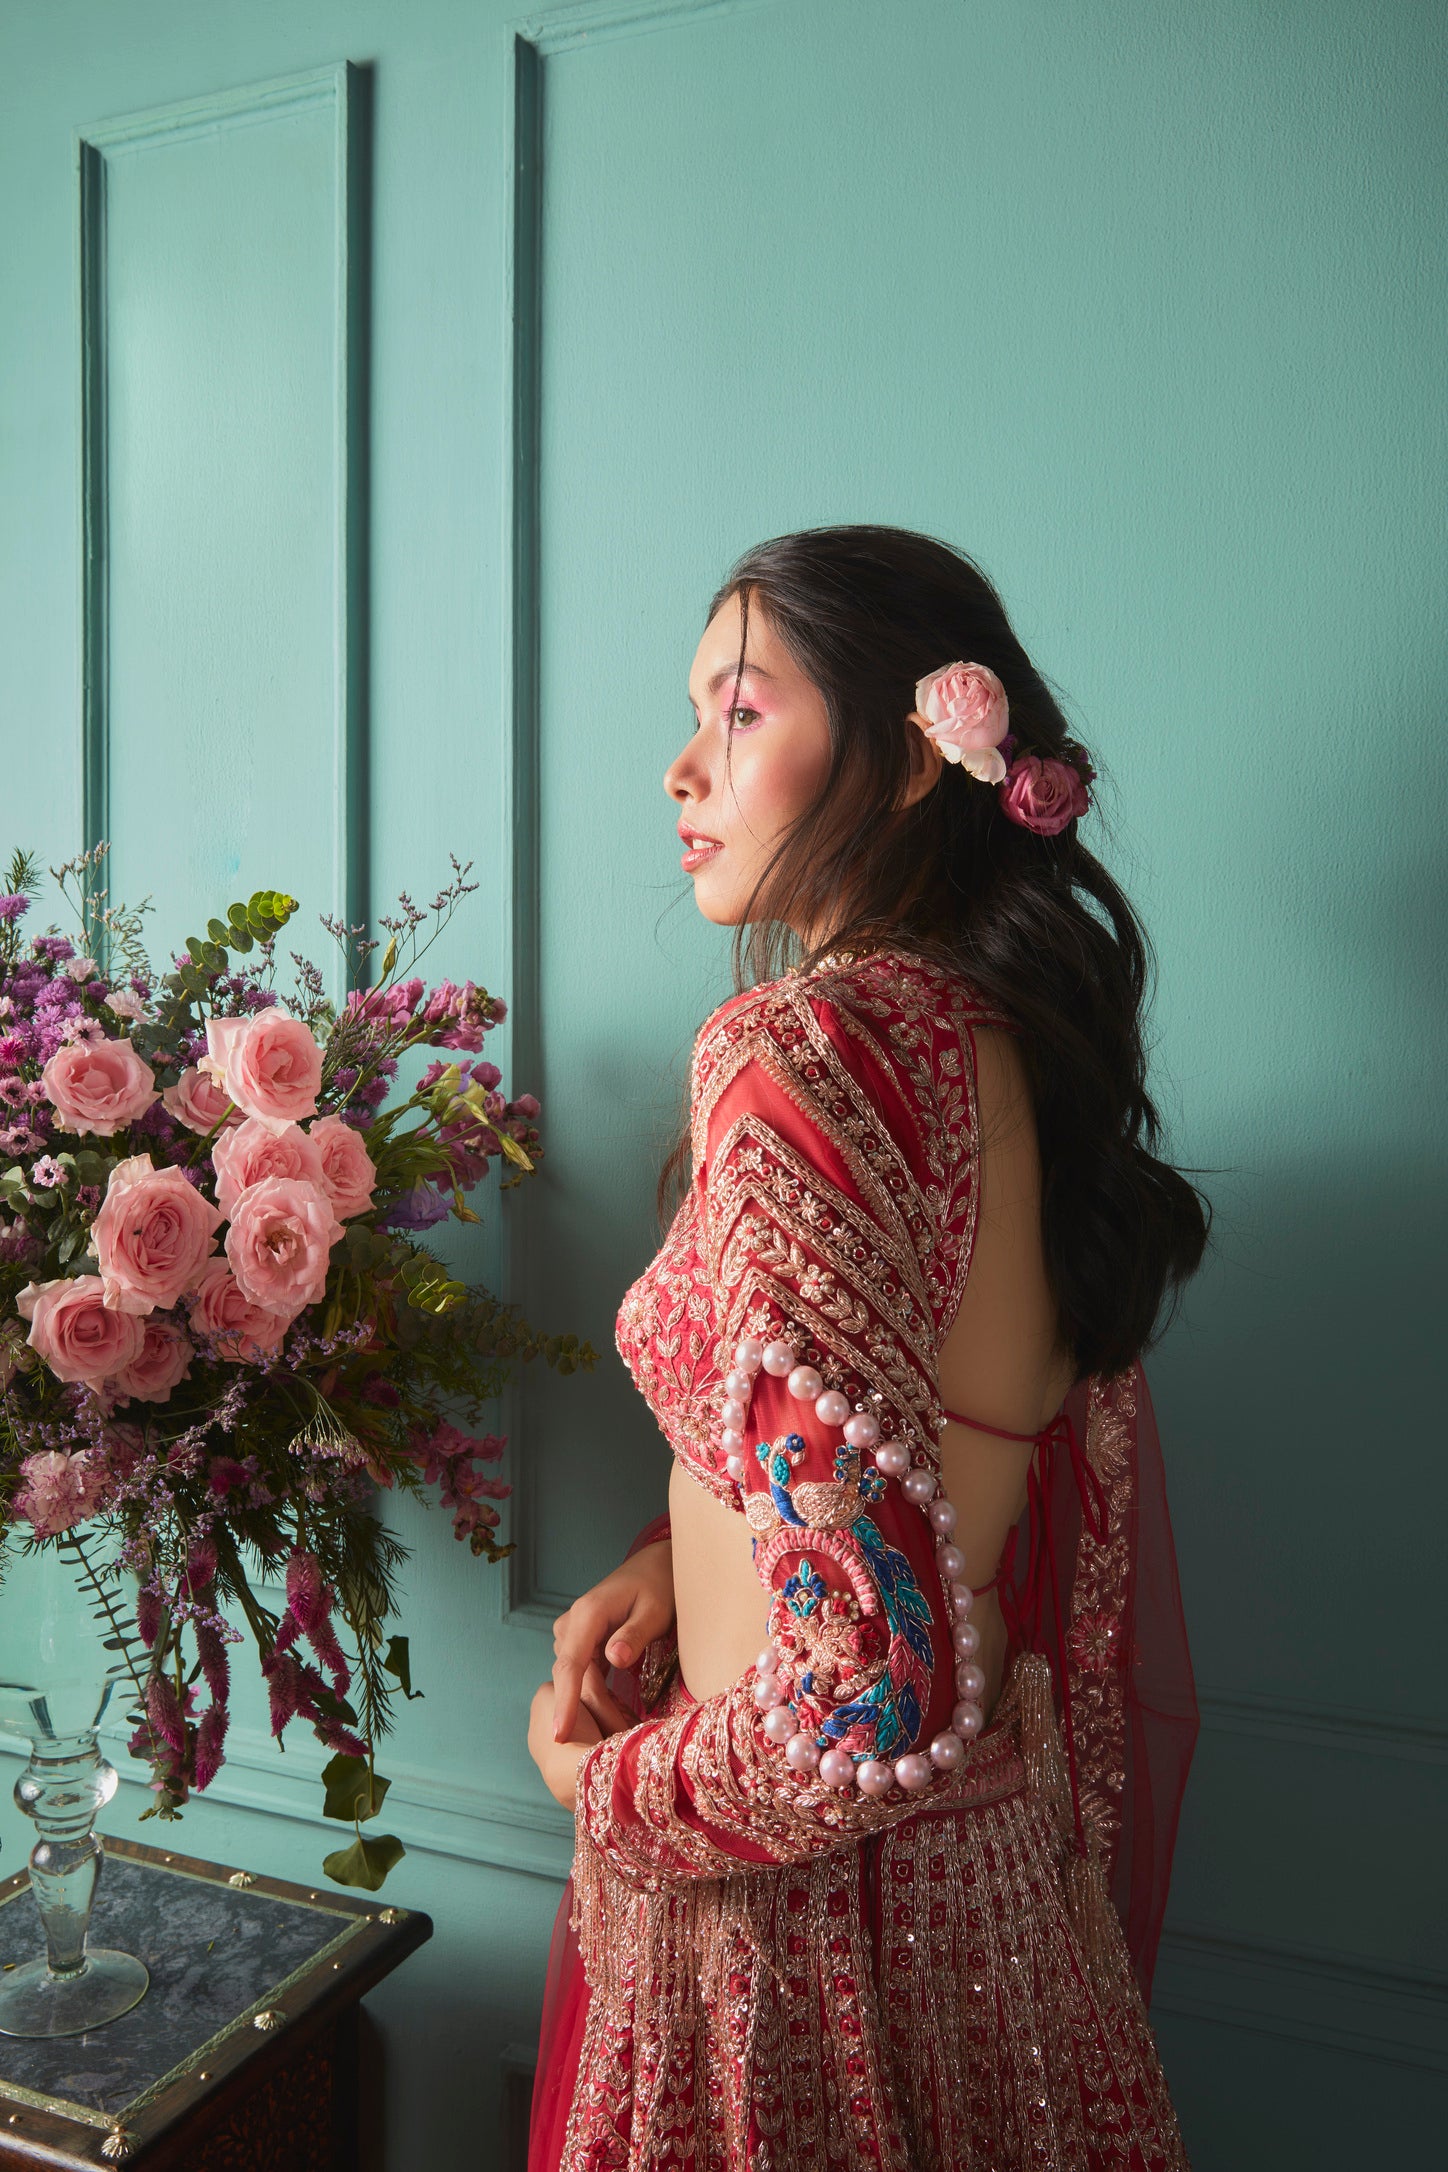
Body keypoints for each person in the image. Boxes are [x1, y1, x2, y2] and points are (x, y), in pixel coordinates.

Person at [526, 525, 1209, 2170]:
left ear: (914, 762)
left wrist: (601, 1793)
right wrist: (680, 1566)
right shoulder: (1016, 1045)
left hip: (793, 1939)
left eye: (744, 710)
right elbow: (948, 1465)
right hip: (995, 1918)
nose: (683, 765)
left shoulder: (803, 1048)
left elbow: (867, 1700)